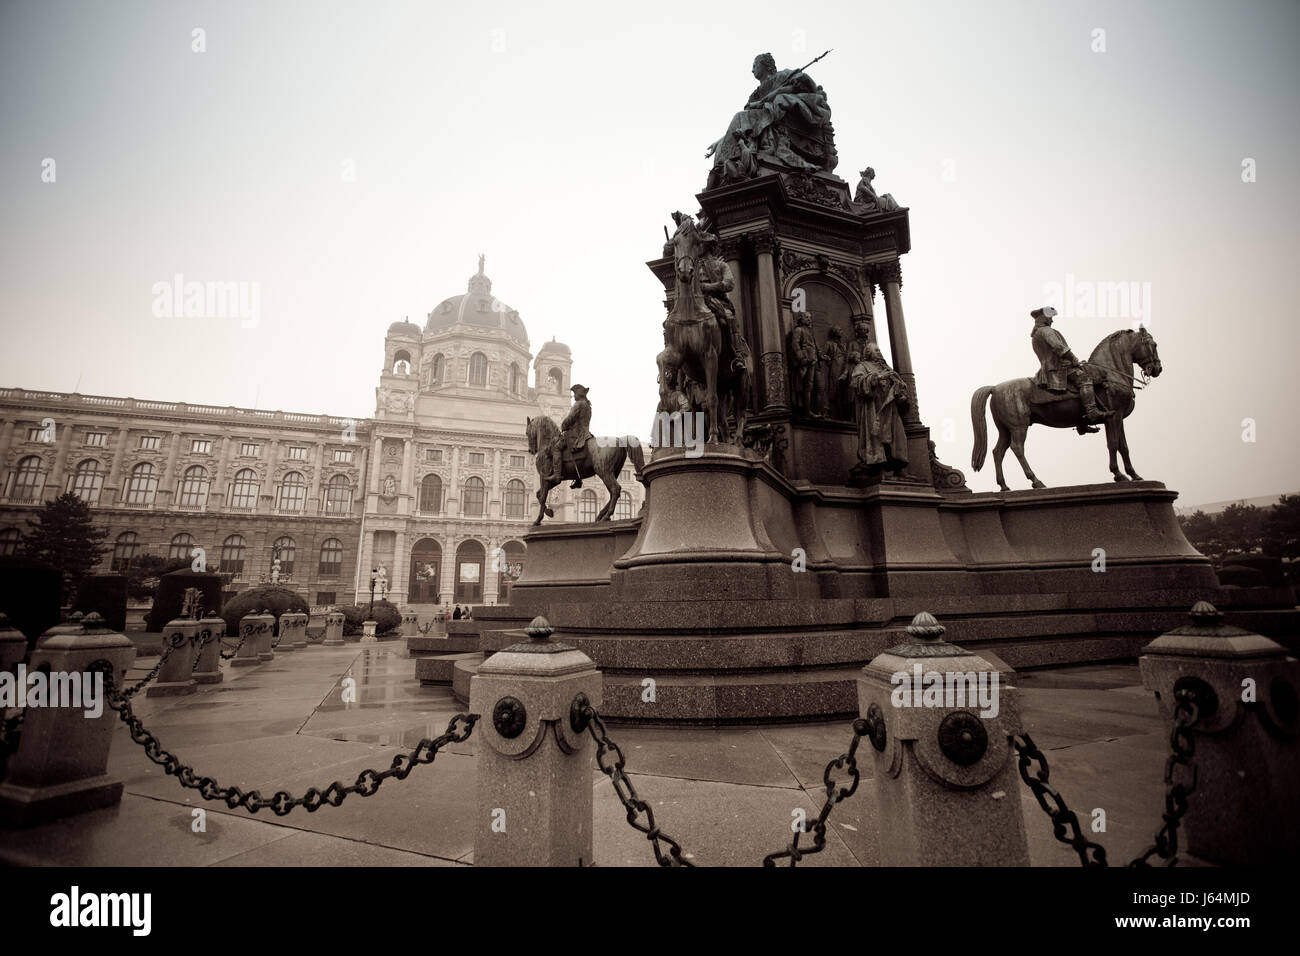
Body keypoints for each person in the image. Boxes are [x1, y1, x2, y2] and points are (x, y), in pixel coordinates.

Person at [1030, 306, 1106, 427]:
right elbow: (1059, 347)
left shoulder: (1036, 335)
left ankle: (1081, 422)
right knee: (1085, 379)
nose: (1052, 321)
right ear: (1044, 318)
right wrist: (1073, 358)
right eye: (1050, 318)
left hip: (1052, 368)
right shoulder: (1046, 331)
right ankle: (1092, 412)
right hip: (1059, 368)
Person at [850, 342, 910, 473]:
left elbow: (900, 384)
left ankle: (896, 462)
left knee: (895, 433)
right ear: (868, 353)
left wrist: (899, 388)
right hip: (873, 406)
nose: (879, 352)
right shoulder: (862, 366)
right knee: (875, 432)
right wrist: (876, 378)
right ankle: (877, 463)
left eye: (879, 350)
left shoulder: (886, 368)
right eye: (876, 350)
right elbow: (856, 382)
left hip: (889, 406)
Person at [697, 236, 750, 372]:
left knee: (728, 316)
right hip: (696, 300)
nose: (697, 247)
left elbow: (729, 284)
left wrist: (708, 287)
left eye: (700, 244)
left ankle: (737, 354)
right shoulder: (693, 266)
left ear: (707, 246)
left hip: (717, 300)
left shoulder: (721, 265)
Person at [791, 312, 819, 415]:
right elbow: (795, 344)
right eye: (806, 317)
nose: (809, 319)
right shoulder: (798, 330)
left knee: (809, 386)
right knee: (800, 386)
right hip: (804, 361)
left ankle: (808, 410)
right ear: (801, 319)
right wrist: (801, 357)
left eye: (810, 317)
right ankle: (801, 408)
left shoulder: (810, 331)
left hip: (812, 360)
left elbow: (814, 345)